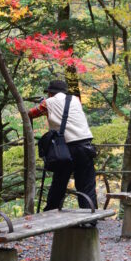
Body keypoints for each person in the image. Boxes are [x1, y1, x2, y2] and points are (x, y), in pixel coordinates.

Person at [28, 78, 98, 211]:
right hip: (85, 144)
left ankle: (51, 213)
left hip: (63, 148)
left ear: (50, 93)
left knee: (59, 182)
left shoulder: (47, 102)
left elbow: (31, 113)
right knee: (86, 184)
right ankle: (90, 218)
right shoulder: (75, 100)